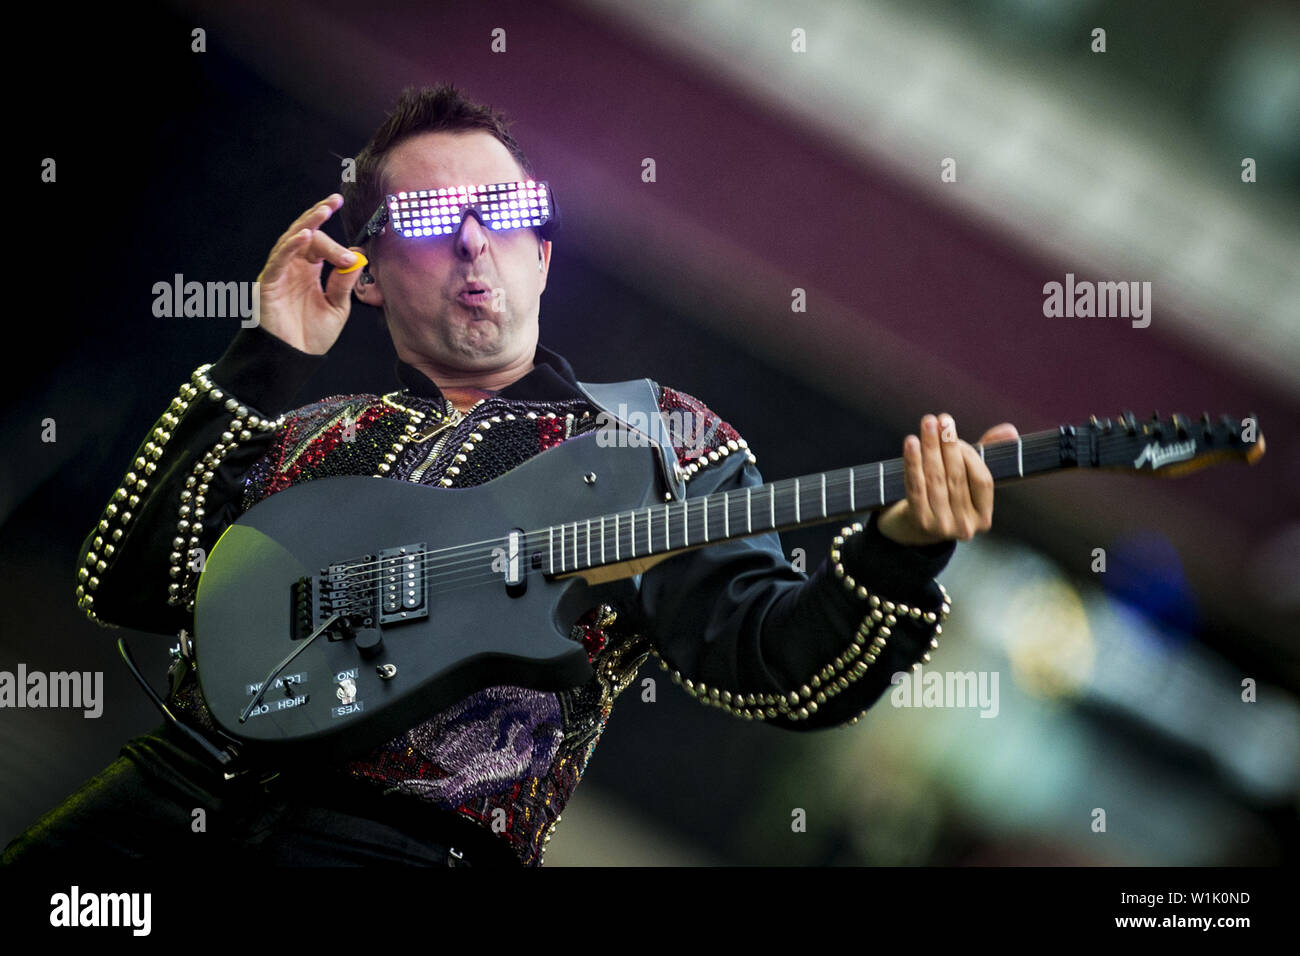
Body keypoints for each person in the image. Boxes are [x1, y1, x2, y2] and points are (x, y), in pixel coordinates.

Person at [4, 84, 1016, 868]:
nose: (476, 239)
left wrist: (899, 553)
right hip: (162, 797)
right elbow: (129, 582)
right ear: (365, 274)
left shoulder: (651, 440)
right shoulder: (312, 429)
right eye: (436, 219)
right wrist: (259, 357)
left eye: (506, 209)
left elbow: (776, 662)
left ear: (540, 251)